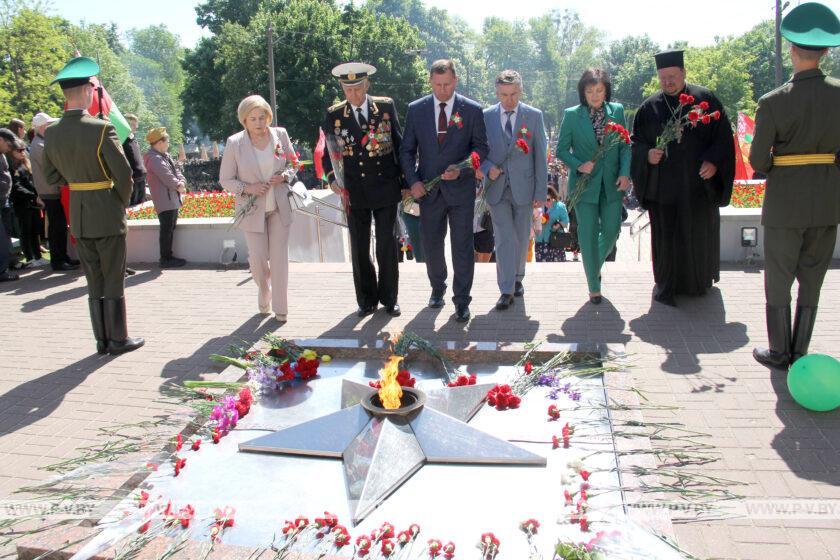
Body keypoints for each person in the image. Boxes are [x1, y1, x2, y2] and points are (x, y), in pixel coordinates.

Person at [750, 2, 840, 369]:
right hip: (826, 201)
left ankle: (780, 351)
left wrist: (780, 166)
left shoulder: (772, 103)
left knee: (779, 277)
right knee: (813, 277)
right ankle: (801, 351)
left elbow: (757, 161)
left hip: (786, 203)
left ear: (791, 49)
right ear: (826, 50)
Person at [42, 56, 144, 355]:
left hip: (79, 213)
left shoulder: (52, 132)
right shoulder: (100, 129)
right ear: (88, 90)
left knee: (94, 278)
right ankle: (118, 339)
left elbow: (50, 176)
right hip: (106, 211)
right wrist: (119, 202)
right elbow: (124, 173)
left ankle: (101, 340)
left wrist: (78, 182)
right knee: (113, 275)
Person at [630, 49, 735, 307]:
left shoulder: (705, 100)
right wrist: (647, 155)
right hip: (664, 190)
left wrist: (713, 161)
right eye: (663, 77)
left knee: (697, 234)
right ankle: (666, 285)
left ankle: (698, 283)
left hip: (698, 187)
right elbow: (636, 144)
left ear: (684, 73)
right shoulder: (649, 108)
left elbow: (723, 138)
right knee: (667, 238)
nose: (668, 82)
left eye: (673, 76)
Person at [400, 59, 489, 322]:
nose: (442, 90)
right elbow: (407, 150)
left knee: (462, 246)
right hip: (428, 192)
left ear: (455, 81)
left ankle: (462, 300)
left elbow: (481, 149)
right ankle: (437, 288)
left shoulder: (471, 110)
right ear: (430, 82)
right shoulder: (416, 110)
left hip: (460, 191)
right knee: (431, 245)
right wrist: (414, 181)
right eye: (437, 85)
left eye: (447, 84)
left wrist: (462, 169)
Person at [322, 62, 404, 318]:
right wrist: (331, 179)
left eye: (358, 88)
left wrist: (403, 183)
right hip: (354, 191)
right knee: (359, 248)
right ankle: (366, 300)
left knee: (386, 246)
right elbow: (328, 154)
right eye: (348, 90)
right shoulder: (335, 114)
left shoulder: (386, 107)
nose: (354, 95)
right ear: (342, 88)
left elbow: (399, 144)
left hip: (385, 187)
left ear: (367, 84)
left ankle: (390, 298)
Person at [219, 94, 297, 321]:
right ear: (244, 121)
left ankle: (281, 309)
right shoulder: (235, 143)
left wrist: (285, 175)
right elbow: (225, 180)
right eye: (252, 119)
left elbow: (293, 162)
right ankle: (264, 291)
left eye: (262, 117)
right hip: (252, 210)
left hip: (279, 207)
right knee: (258, 259)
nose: (258, 123)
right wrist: (247, 188)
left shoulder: (280, 134)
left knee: (280, 258)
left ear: (268, 117)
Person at [556, 68, 629, 304]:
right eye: (590, 91)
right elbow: (561, 150)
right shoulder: (572, 114)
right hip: (584, 185)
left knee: (612, 231)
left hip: (612, 183)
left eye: (599, 90)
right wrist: (579, 165)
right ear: (583, 92)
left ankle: (592, 266)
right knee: (586, 235)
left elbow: (626, 145)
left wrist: (625, 173)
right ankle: (593, 286)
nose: (595, 95)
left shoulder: (616, 111)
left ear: (606, 91)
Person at [479, 69, 548, 311]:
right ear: (496, 92)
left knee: (520, 236)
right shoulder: (485, 116)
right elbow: (476, 150)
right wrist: (487, 167)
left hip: (525, 188)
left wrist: (541, 192)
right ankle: (506, 289)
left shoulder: (534, 116)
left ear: (521, 91)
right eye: (503, 95)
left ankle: (518, 277)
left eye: (513, 94)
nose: (508, 100)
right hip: (496, 189)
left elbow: (540, 155)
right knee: (504, 237)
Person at [30, 112, 79, 272]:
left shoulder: (41, 143)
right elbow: (53, 165)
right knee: (57, 226)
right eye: (49, 124)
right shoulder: (39, 145)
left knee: (59, 225)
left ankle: (62, 257)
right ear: (42, 127)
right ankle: (58, 260)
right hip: (50, 190)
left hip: (52, 189)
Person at [144, 127, 187, 268]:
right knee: (167, 229)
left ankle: (168, 256)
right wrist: (178, 185)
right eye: (167, 141)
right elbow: (167, 176)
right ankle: (166, 259)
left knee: (170, 228)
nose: (168, 143)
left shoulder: (163, 155)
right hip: (165, 200)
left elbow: (176, 171)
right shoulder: (155, 158)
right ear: (159, 142)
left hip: (170, 198)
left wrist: (181, 181)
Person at [9, 140, 46, 266]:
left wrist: (36, 194)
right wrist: (33, 196)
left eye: (23, 149)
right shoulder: (12, 167)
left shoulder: (25, 164)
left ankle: (38, 256)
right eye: (19, 150)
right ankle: (30, 258)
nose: (22, 152)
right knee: (26, 231)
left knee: (35, 230)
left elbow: (31, 182)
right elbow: (16, 186)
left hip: (32, 201)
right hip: (22, 203)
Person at [0, 128, 19, 281]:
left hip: (4, 201)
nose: (10, 148)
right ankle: (1, 271)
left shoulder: (2, 155)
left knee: (5, 236)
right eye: (8, 144)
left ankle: (6, 265)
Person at [534, 186, 570, 262]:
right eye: (543, 200)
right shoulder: (537, 206)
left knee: (558, 268)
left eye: (548, 200)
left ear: (553, 197)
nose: (546, 202)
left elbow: (566, 221)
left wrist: (558, 225)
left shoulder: (560, 206)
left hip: (555, 242)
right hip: (540, 242)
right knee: (541, 270)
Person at [123, 113, 148, 206]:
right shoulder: (121, 140)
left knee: (140, 207)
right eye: (132, 124)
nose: (135, 127)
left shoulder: (134, 140)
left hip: (141, 178)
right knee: (132, 208)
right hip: (132, 180)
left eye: (136, 124)